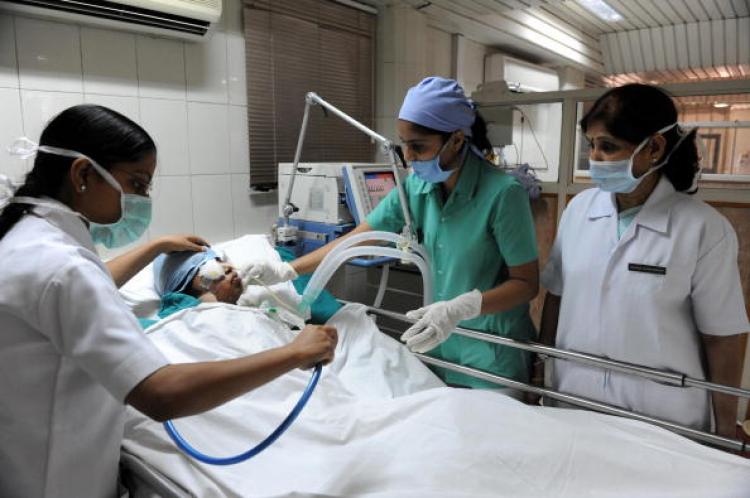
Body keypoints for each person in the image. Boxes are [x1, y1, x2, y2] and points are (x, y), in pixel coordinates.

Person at [0, 105, 337, 498]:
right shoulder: (65, 268)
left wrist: (155, 246)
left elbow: (79, 293)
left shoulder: (28, 238)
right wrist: (294, 354)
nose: (144, 198)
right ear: (83, 175)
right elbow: (161, 394)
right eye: (138, 183)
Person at [243, 77, 540, 390]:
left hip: (490, 355)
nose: (408, 157)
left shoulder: (503, 194)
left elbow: (526, 284)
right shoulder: (416, 186)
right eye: (404, 145)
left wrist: (460, 308)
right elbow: (357, 239)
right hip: (436, 350)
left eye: (418, 147)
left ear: (456, 140)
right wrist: (286, 269)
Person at [538, 84, 749, 437]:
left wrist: (726, 423)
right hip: (574, 397)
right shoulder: (578, 210)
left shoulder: (703, 229)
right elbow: (556, 296)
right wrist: (539, 365)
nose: (595, 159)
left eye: (608, 147)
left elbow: (723, 335)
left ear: (653, 147)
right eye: (591, 146)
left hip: (662, 415)